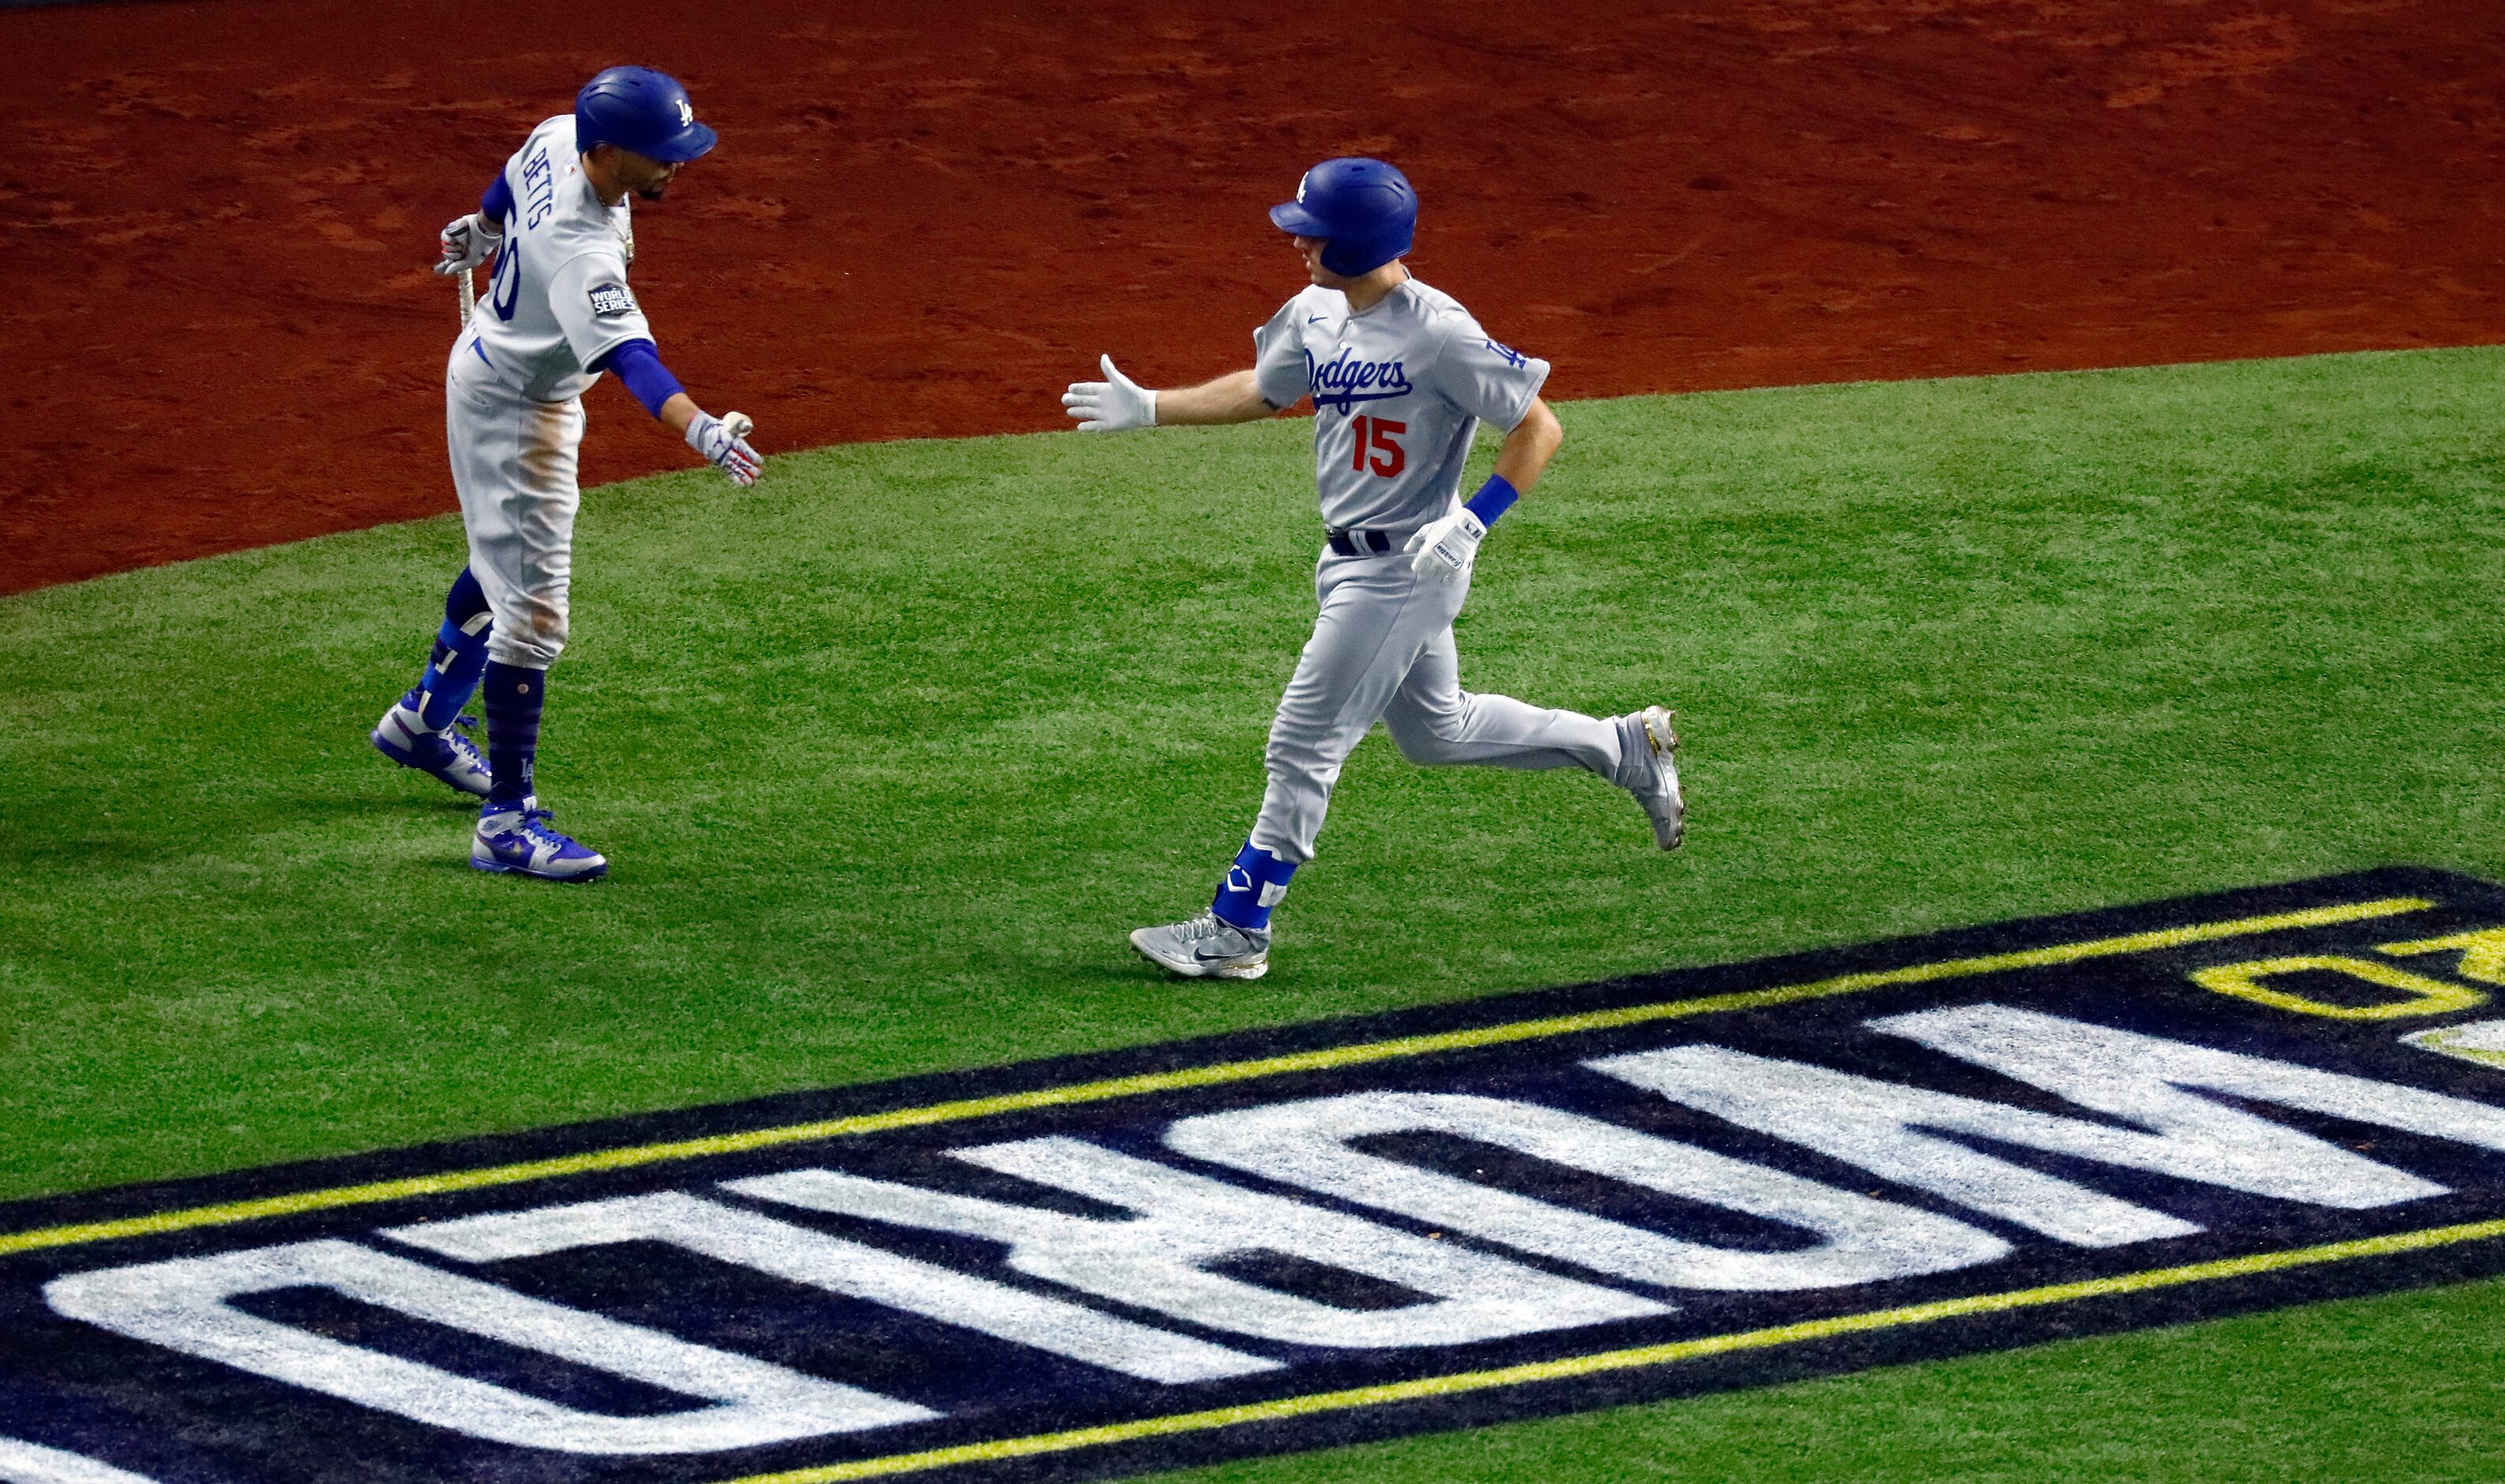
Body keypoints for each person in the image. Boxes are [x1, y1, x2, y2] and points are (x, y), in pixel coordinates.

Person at [1063, 156, 1684, 981]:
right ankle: (1621, 748)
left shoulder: (1439, 329)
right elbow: (1265, 388)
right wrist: (1150, 406)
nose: (1299, 244)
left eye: (1313, 232)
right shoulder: (1312, 311)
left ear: (1357, 239)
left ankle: (1236, 930)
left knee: (1301, 743)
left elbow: (1538, 428)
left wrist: (1473, 519)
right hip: (1344, 559)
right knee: (1439, 733)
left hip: (1407, 568)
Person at [369, 66, 761, 881]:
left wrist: (480, 228)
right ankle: (505, 824)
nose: (675, 164)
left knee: (499, 564)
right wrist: (702, 432)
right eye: (659, 153)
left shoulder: (558, 133)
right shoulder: (581, 253)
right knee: (536, 617)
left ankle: (422, 724)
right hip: (519, 414)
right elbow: (631, 359)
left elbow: (510, 183)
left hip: (498, 371)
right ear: (608, 150)